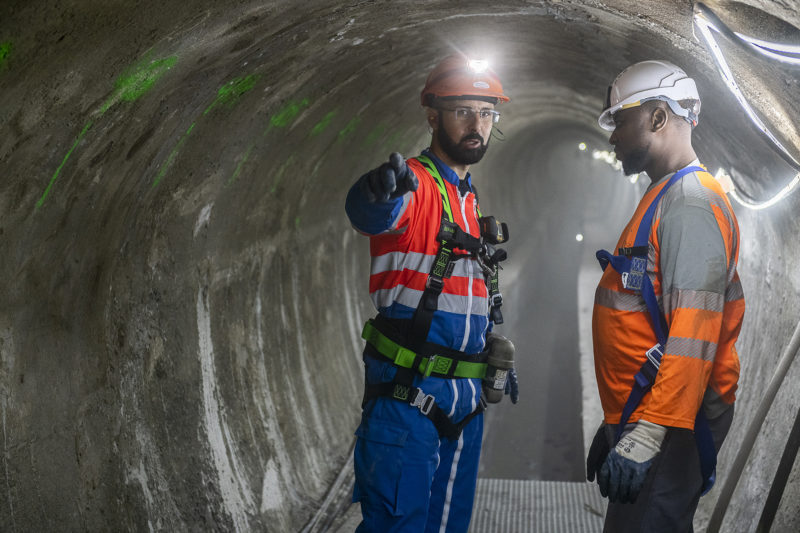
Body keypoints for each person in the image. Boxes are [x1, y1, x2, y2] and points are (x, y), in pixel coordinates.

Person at [344, 54, 518, 532]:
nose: (476, 124)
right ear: (432, 115)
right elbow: (371, 213)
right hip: (409, 398)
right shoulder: (416, 185)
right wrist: (376, 190)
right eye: (463, 110)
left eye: (486, 112)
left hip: (465, 400)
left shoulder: (468, 198)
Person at [585, 59, 745, 532]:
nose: (611, 135)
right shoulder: (665, 194)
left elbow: (692, 339)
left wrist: (648, 435)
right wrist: (618, 424)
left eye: (619, 120)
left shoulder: (690, 204)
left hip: (672, 422)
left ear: (657, 118)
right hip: (648, 412)